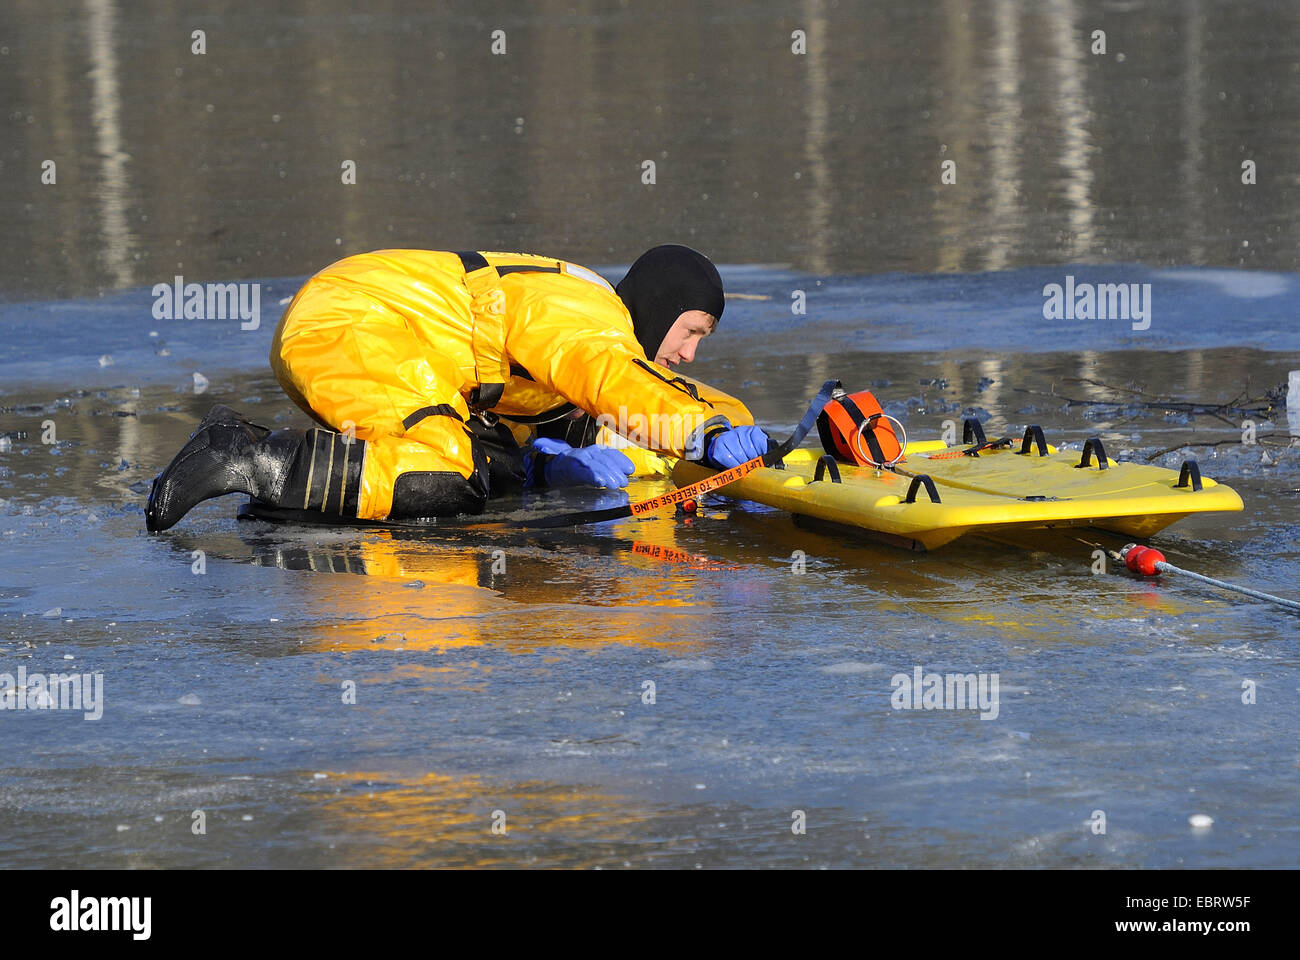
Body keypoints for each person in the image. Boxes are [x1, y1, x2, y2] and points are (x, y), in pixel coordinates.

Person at [145, 245, 769, 531]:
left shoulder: (586, 331)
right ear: (660, 306)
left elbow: (615, 403)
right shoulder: (589, 317)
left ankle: (291, 491)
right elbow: (613, 379)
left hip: (368, 327)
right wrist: (707, 436)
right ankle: (246, 454)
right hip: (359, 320)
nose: (688, 353)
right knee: (445, 475)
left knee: (488, 468)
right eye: (691, 331)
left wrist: (741, 424)